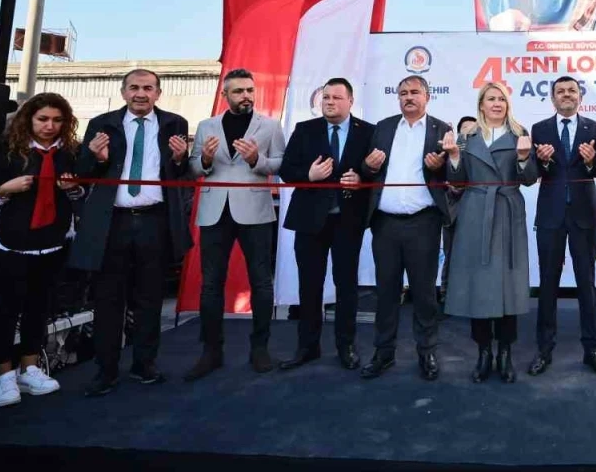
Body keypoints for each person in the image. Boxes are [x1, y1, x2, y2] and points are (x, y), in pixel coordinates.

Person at [73, 69, 191, 398]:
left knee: (150, 299)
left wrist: (180, 159)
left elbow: (180, 174)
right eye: (135, 87)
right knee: (108, 299)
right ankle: (105, 370)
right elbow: (82, 172)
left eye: (148, 88)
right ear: (123, 92)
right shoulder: (102, 124)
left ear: (158, 93)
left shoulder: (175, 123)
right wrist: (96, 158)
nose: (141, 93)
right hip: (112, 223)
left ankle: (144, 364)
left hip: (155, 221)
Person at [0, 94, 82, 407]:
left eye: (57, 120)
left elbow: (80, 197)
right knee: (6, 310)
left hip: (52, 243)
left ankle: (29, 368)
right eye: (43, 119)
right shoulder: (5, 150)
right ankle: (2, 376)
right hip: (8, 243)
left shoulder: (70, 153)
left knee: (39, 308)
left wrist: (74, 189)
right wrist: (4, 190)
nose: (50, 126)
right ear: (29, 119)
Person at [185, 69, 286, 380]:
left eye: (250, 90)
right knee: (211, 283)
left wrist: (257, 160)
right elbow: (193, 168)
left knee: (261, 281)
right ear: (225, 95)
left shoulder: (270, 126)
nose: (246, 96)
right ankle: (211, 351)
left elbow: (281, 163)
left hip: (255, 210)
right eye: (239, 91)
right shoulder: (207, 125)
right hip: (215, 211)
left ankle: (260, 348)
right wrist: (204, 159)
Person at [443, 83, 539, 383]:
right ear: (481, 104)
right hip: (475, 213)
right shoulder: (467, 137)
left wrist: (524, 158)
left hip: (507, 212)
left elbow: (530, 178)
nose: (497, 103)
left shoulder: (520, 133)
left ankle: (505, 353)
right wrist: (454, 156)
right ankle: (484, 352)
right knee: (478, 285)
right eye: (491, 99)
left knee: (508, 284)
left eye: (501, 99)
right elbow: (456, 180)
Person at [276, 78, 372, 372]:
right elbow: (286, 170)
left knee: (347, 286)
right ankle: (308, 347)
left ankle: (346, 346)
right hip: (309, 221)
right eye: (326, 97)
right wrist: (309, 175)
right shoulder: (305, 130)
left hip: (348, 221)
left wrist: (362, 179)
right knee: (309, 285)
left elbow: (376, 172)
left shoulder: (367, 132)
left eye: (336, 98)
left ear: (350, 101)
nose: (329, 102)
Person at [360, 75, 452, 381]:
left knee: (424, 293)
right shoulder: (383, 128)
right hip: (385, 223)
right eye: (403, 93)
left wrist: (441, 167)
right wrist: (369, 167)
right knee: (386, 291)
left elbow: (456, 171)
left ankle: (427, 352)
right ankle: (383, 352)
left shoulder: (442, 129)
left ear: (427, 96)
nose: (408, 97)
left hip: (424, 222)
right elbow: (366, 170)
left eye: (414, 92)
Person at [528, 77, 596, 377]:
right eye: (560, 91)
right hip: (550, 215)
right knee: (548, 283)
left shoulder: (594, 128)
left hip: (584, 215)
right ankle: (544, 349)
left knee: (587, 283)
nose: (566, 95)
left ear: (579, 97)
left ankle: (592, 349)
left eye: (571, 91)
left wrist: (591, 163)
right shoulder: (539, 129)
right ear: (553, 99)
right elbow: (534, 171)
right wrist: (543, 162)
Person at [439, 115, 478, 311]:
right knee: (451, 255)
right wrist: (451, 186)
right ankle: (446, 296)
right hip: (453, 213)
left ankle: (473, 297)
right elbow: (441, 179)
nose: (468, 133)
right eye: (465, 129)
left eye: (473, 130)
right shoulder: (448, 152)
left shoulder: (481, 153)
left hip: (477, 213)